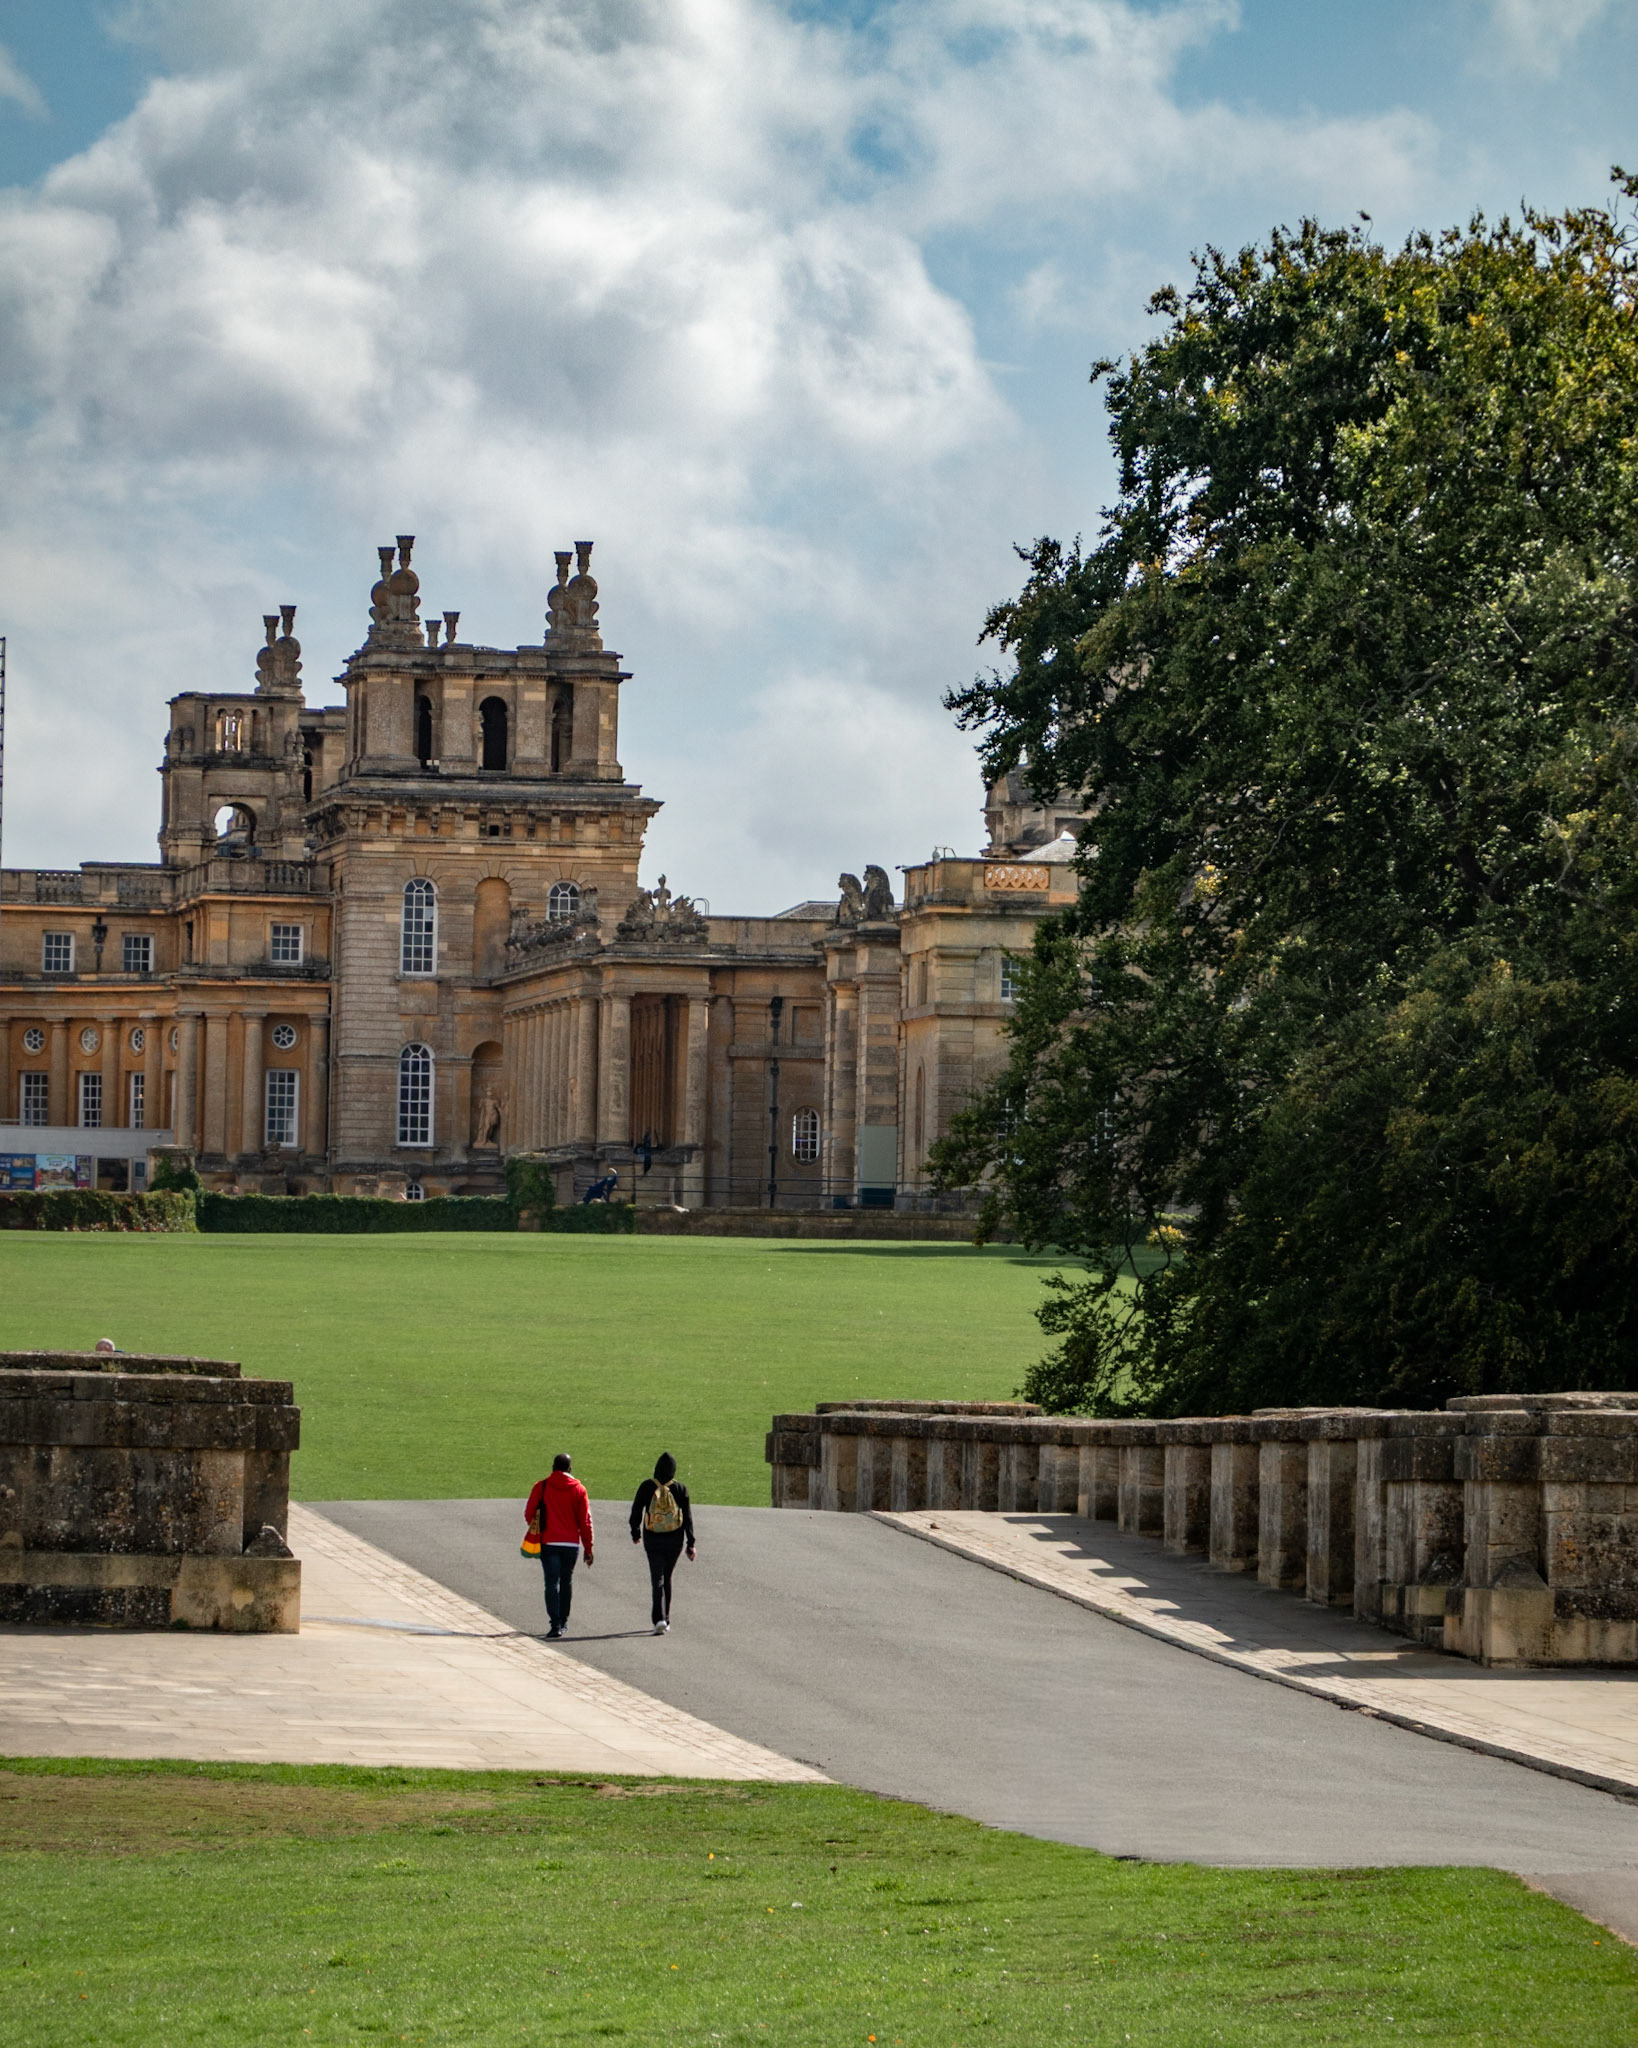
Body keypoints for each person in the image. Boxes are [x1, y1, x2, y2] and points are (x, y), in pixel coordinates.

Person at [524, 1453, 594, 1639]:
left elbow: (529, 1514)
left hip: (548, 1541)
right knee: (566, 1581)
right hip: (571, 1544)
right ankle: (563, 1621)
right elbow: (585, 1521)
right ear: (570, 1469)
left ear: (553, 1467)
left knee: (551, 1582)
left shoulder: (542, 1486)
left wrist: (540, 1526)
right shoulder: (579, 1489)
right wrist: (588, 1547)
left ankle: (554, 1623)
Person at [630, 1452, 695, 1635]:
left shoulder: (646, 1486)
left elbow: (636, 1511)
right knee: (667, 1578)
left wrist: (635, 1532)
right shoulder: (680, 1489)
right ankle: (666, 1619)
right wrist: (691, 1543)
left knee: (656, 1578)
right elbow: (687, 1517)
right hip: (675, 1540)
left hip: (652, 1539)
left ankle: (658, 1618)